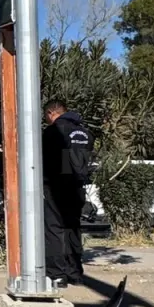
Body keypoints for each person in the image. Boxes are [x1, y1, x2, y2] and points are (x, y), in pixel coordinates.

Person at [42, 100, 95, 286]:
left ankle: (57, 274)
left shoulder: (52, 132)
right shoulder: (85, 133)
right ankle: (75, 273)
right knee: (73, 229)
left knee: (54, 230)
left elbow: (45, 160)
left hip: (56, 188)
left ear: (51, 113)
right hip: (77, 188)